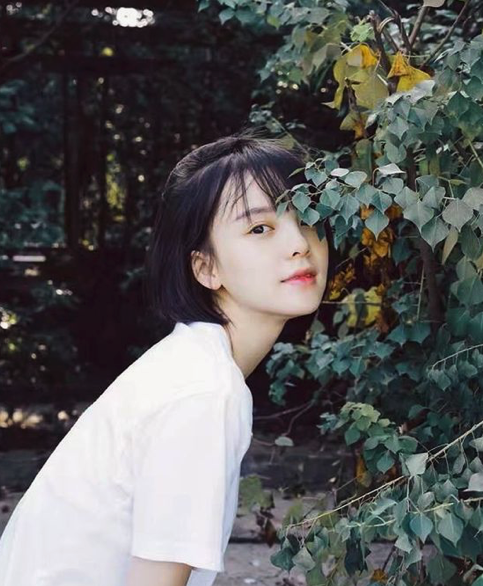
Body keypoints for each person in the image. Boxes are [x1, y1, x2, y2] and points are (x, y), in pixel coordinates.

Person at [0, 131, 331, 586]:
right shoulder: (202, 392)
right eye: (259, 228)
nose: (299, 243)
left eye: (308, 217)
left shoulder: (192, 365)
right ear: (205, 268)